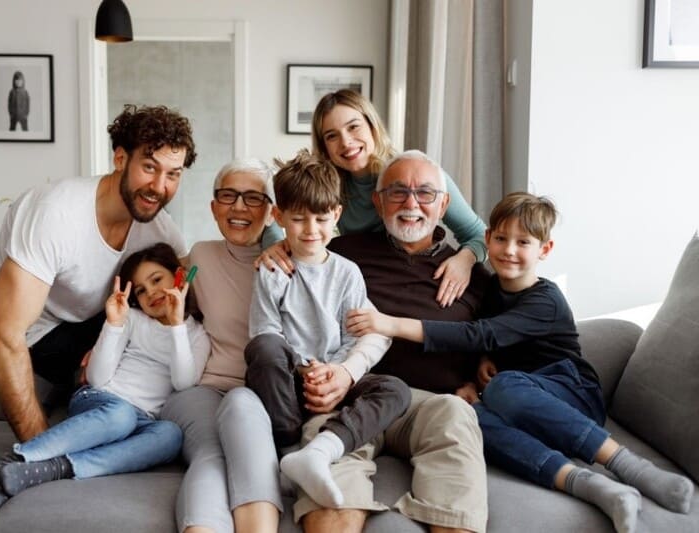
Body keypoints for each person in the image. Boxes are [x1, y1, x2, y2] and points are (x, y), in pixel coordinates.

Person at [348, 192, 695, 532]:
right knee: (466, 417)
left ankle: (632, 468)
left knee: (505, 385)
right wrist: (475, 371)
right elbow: (483, 341)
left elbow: (480, 333)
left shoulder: (545, 300)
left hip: (572, 396)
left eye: (523, 242)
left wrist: (390, 324)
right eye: (500, 239)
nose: (509, 250)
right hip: (516, 408)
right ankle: (594, 487)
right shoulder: (487, 288)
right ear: (487, 239)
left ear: (545, 249)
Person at [0, 104, 197, 442]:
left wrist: (275, 248)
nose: (159, 186)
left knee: (155, 330)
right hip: (31, 336)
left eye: (173, 174)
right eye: (149, 167)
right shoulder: (56, 213)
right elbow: (1, 337)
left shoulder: (162, 232)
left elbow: (193, 295)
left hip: (86, 326)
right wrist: (41, 446)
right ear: (120, 159)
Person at [297, 150, 491, 533]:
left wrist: (480, 375)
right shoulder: (339, 254)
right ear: (378, 200)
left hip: (431, 404)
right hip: (354, 394)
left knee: (456, 415)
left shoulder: (472, 272)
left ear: (444, 203)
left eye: (425, 193)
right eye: (398, 191)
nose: (411, 204)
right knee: (327, 462)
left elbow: (493, 334)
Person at [0, 242, 210, 513]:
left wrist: (177, 325)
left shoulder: (196, 335)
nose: (151, 293)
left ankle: (56, 468)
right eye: (141, 291)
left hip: (143, 419)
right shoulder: (132, 319)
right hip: (101, 401)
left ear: (179, 276)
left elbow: (183, 382)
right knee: (119, 416)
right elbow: (97, 379)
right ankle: (12, 460)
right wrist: (113, 324)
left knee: (170, 435)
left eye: (157, 280)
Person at [243, 149, 409, 510]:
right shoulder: (272, 270)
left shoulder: (347, 272)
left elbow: (354, 335)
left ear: (335, 215)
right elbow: (264, 332)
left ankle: (320, 450)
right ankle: (288, 450)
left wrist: (333, 371)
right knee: (265, 349)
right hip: (288, 383)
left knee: (395, 390)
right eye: (299, 219)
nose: (311, 230)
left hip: (334, 378)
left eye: (320, 219)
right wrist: (305, 368)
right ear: (279, 217)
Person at [259, 89, 487, 308]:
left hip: (416, 274)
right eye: (332, 136)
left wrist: (464, 260)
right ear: (324, 146)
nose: (346, 142)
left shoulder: (415, 175)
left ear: (372, 126)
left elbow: (480, 234)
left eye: (354, 127)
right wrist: (276, 244)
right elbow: (278, 210)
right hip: (367, 282)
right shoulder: (331, 186)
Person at [160, 158, 283, 533]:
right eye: (228, 196)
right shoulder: (199, 256)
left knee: (243, 413)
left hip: (265, 396)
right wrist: (105, 337)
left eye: (253, 198)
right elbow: (159, 292)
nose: (239, 207)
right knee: (212, 453)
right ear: (214, 207)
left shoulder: (291, 263)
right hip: (204, 389)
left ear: (271, 210)